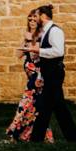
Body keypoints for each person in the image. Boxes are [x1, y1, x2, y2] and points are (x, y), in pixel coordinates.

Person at [26, 4, 76, 142]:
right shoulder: (45, 31)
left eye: (37, 16)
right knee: (57, 106)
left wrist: (38, 51)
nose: (35, 18)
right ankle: (73, 138)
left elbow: (58, 52)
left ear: (43, 16)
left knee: (46, 106)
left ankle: (36, 138)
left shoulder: (55, 31)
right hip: (48, 73)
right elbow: (44, 59)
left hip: (55, 73)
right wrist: (40, 75)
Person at [5, 9, 53, 142]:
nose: (31, 22)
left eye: (34, 19)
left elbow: (35, 55)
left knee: (26, 104)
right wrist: (25, 40)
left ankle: (15, 132)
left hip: (37, 78)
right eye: (29, 19)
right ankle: (32, 135)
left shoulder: (41, 36)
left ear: (39, 20)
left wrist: (30, 40)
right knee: (34, 107)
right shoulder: (28, 36)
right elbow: (18, 55)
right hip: (30, 78)